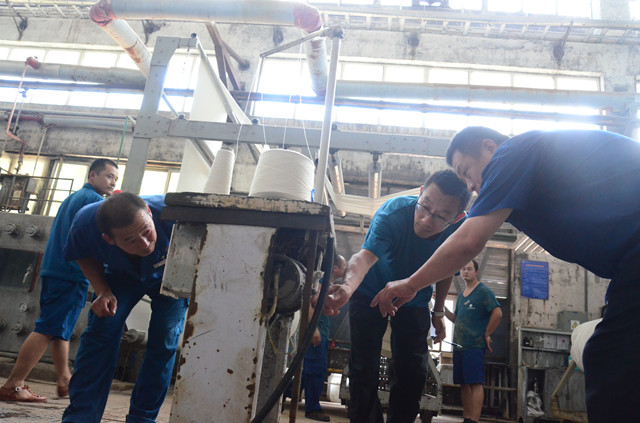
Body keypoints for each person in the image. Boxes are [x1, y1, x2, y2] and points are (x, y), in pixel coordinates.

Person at [371, 127, 640, 423]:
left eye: (466, 172)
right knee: (615, 355)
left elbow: (468, 241)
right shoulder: (527, 176)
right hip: (627, 267)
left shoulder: (511, 154)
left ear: (489, 147)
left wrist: (410, 284)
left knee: (610, 357)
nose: (470, 186)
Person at [324, 169, 470, 423]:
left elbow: (447, 269)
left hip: (414, 299)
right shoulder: (393, 213)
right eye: (425, 206)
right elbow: (364, 257)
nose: (426, 220)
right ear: (420, 193)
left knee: (413, 371)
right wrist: (347, 287)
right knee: (363, 366)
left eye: (441, 216)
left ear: (456, 217)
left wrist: (438, 312)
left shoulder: (460, 230)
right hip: (369, 292)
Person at [61, 192, 189, 423]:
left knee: (165, 338)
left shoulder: (176, 212)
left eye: (147, 231)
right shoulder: (85, 224)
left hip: (171, 273)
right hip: (121, 275)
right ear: (109, 240)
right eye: (130, 240)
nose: (144, 244)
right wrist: (102, 290)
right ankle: (81, 417)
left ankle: (142, 419)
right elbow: (82, 254)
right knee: (102, 330)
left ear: (149, 213)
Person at [0, 159, 118, 403]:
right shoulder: (94, 202)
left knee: (59, 330)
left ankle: (64, 380)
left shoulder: (74, 198)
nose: (113, 182)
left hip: (55, 269)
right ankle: (13, 385)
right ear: (92, 176)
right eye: (109, 176)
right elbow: (96, 241)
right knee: (47, 328)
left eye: (115, 178)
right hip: (71, 273)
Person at [444, 259, 502, 423]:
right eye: (463, 269)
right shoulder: (461, 295)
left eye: (469, 269)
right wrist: (442, 307)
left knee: (475, 383)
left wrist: (487, 333)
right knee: (464, 384)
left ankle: (474, 420)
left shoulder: (483, 291)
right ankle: (467, 418)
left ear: (476, 272)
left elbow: (498, 313)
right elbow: (456, 319)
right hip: (459, 345)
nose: (465, 271)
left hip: (474, 345)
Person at [302, 254, 347, 422]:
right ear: (335, 268)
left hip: (321, 331)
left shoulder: (328, 284)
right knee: (317, 370)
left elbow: (321, 308)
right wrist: (313, 329)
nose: (346, 268)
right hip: (317, 332)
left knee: (309, 372)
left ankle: (283, 394)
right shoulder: (321, 282)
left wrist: (331, 311)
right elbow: (309, 303)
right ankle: (312, 409)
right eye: (344, 265)